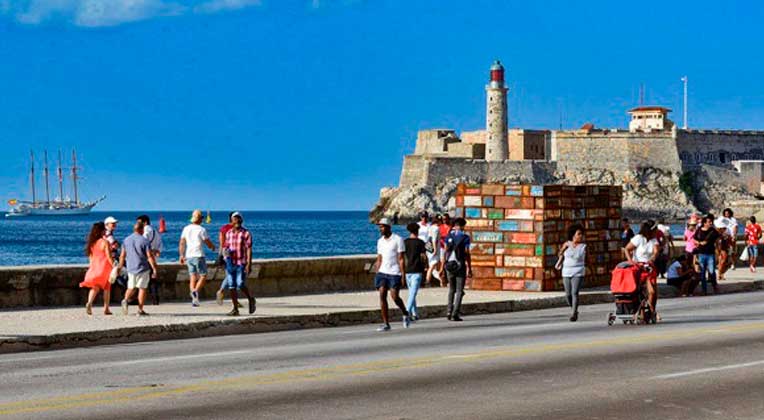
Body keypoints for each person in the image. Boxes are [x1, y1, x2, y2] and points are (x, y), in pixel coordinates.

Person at [374, 217, 411, 331]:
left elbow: (401, 259)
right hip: (382, 272)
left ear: (389, 227)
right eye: (380, 227)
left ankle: (405, 313)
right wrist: (376, 271)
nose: (381, 229)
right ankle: (386, 324)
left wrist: (403, 275)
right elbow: (379, 258)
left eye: (383, 226)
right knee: (382, 295)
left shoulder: (398, 239)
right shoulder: (380, 241)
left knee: (395, 297)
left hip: (394, 272)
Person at [117, 222, 158, 316]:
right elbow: (149, 256)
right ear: (142, 229)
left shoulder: (126, 240)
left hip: (131, 268)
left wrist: (120, 266)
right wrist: (154, 268)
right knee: (142, 288)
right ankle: (140, 310)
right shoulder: (144, 241)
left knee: (131, 287)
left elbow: (122, 256)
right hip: (143, 268)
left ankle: (125, 300)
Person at [624, 221, 660, 322]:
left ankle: (652, 311)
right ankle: (645, 311)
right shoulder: (638, 238)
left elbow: (656, 251)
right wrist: (630, 261)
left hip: (648, 267)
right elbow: (627, 249)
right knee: (639, 291)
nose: (657, 231)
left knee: (653, 292)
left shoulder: (653, 240)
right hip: (638, 267)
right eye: (655, 229)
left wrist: (653, 258)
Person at [221, 212, 256, 316]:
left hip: (241, 263)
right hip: (230, 263)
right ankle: (235, 308)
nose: (237, 221)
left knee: (240, 283)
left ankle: (251, 299)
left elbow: (249, 249)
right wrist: (224, 258)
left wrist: (249, 264)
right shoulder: (228, 233)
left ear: (241, 220)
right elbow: (226, 247)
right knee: (231, 286)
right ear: (231, 221)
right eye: (235, 219)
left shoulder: (246, 233)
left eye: (239, 219)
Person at [179, 210, 216, 307]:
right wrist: (212, 247)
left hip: (188, 256)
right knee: (203, 276)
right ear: (199, 219)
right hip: (198, 255)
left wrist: (181, 255)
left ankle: (194, 300)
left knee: (192, 277)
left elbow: (182, 243)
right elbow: (207, 241)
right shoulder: (201, 229)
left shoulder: (186, 228)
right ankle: (195, 291)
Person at [442, 217, 473, 322]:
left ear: (454, 226)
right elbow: (467, 253)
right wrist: (469, 267)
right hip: (460, 266)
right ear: (463, 226)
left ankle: (448, 311)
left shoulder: (449, 236)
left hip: (449, 265)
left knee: (451, 289)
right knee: (459, 291)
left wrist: (443, 266)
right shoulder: (465, 237)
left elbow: (445, 251)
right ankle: (455, 313)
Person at [80, 222, 114, 315]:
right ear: (102, 231)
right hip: (105, 268)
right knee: (107, 287)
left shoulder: (91, 243)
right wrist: (115, 266)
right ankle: (106, 308)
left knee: (95, 287)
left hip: (94, 268)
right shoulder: (104, 242)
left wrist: (91, 268)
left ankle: (89, 303)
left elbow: (90, 258)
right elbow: (108, 257)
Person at [557, 224, 586, 322]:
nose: (581, 236)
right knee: (568, 294)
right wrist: (563, 248)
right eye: (579, 234)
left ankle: (574, 313)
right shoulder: (567, 244)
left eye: (581, 234)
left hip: (578, 271)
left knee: (575, 292)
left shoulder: (583, 246)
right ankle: (573, 308)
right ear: (573, 235)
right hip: (566, 271)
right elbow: (560, 254)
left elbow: (588, 259)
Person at [137, 215, 163, 305]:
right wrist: (157, 251)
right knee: (153, 280)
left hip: (145, 258)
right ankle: (155, 300)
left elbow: (143, 243)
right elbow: (160, 244)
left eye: (139, 222)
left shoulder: (145, 231)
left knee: (141, 280)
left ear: (145, 222)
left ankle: (138, 300)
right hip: (154, 259)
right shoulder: (156, 231)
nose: (138, 224)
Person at [403, 222, 427, 322]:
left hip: (407, 270)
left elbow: (402, 257)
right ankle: (407, 312)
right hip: (417, 270)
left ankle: (414, 313)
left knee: (411, 292)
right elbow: (423, 256)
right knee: (413, 293)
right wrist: (425, 266)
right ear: (417, 231)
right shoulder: (421, 242)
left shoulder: (404, 242)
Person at [693, 215, 721, 295]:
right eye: (709, 222)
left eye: (711, 222)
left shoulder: (713, 231)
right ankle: (704, 290)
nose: (710, 223)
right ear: (704, 223)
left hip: (710, 254)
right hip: (701, 253)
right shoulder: (699, 230)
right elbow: (694, 238)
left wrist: (718, 251)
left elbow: (718, 238)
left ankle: (714, 286)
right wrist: (699, 243)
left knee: (712, 271)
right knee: (702, 272)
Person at [437, 214, 453, 287]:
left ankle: (448, 280)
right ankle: (442, 281)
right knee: (441, 263)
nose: (444, 220)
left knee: (447, 263)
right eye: (443, 219)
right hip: (442, 247)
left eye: (446, 219)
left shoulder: (451, 228)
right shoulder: (440, 227)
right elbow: (438, 237)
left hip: (449, 247)